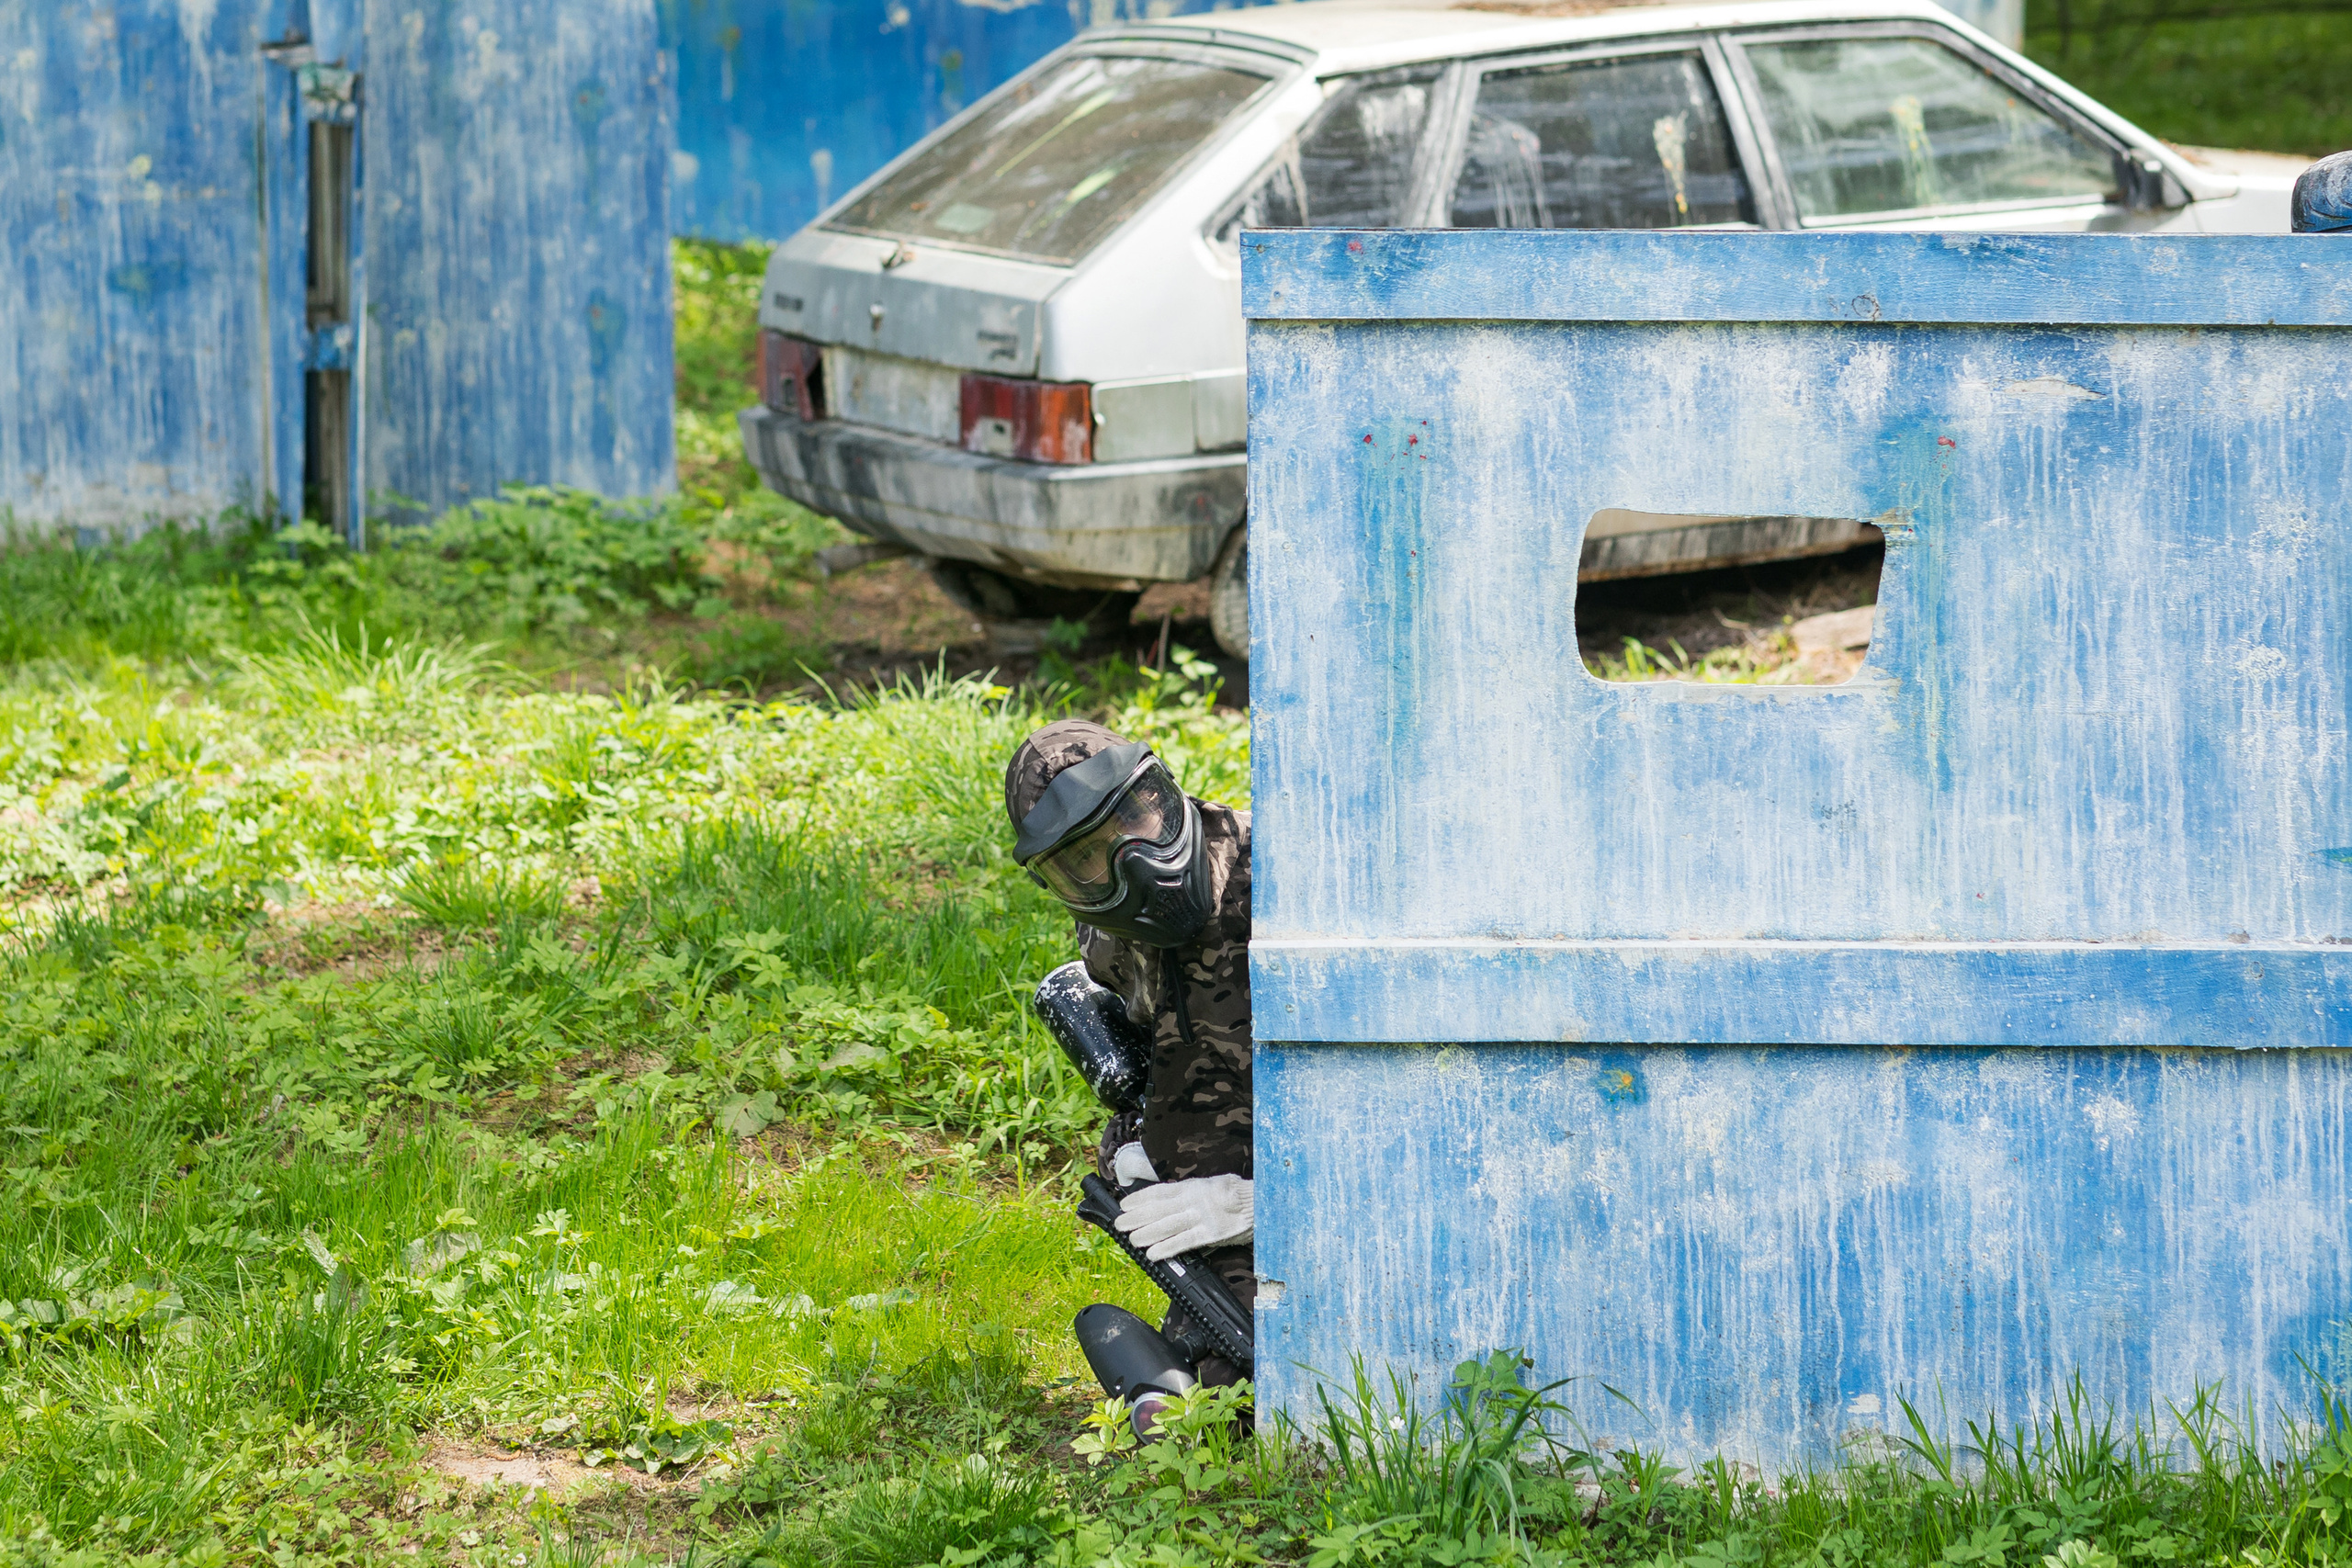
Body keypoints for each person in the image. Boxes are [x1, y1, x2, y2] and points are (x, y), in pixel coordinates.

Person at [1004, 718, 1255, 1385]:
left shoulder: (1290, 892)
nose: (1131, 862)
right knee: (1230, 1392)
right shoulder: (1109, 935)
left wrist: (1267, 1201)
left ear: (1162, 794)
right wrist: (1140, 1144)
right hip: (1218, 1209)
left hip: (1337, 1196)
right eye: (1087, 858)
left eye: (1134, 819)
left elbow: (1400, 1100)